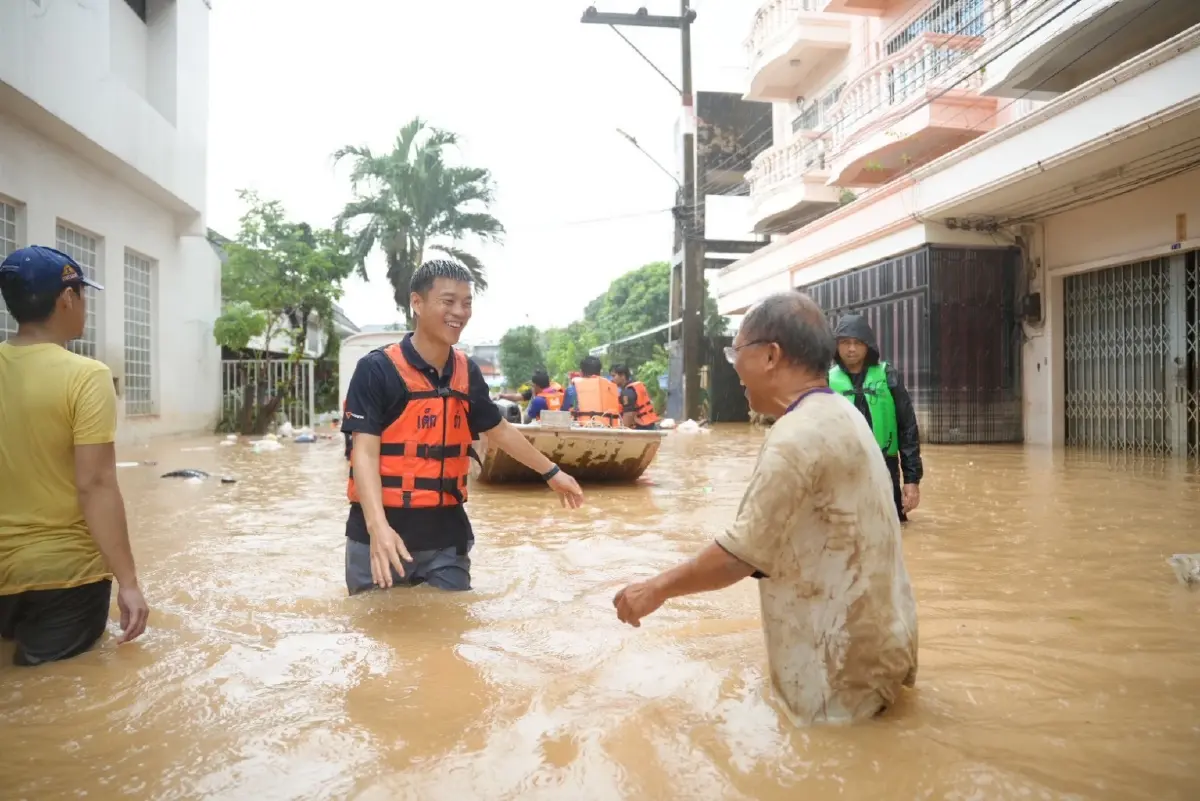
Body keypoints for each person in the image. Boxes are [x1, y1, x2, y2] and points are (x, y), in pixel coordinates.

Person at [612, 291, 918, 726]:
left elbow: (739, 556)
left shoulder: (795, 437)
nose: (733, 365)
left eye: (736, 351)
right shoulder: (844, 414)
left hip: (836, 678)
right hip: (882, 650)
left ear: (771, 355)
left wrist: (655, 588)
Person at [341, 259, 585, 595]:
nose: (460, 312)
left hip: (445, 540)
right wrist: (377, 528)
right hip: (379, 540)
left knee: (451, 634)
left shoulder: (465, 372)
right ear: (418, 302)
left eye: (467, 303)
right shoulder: (376, 370)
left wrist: (552, 473)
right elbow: (364, 453)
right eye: (448, 301)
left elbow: (497, 429)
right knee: (378, 639)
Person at [0, 246, 150, 666]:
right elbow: (95, 484)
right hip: (65, 579)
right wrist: (129, 582)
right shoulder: (86, 376)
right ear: (67, 298)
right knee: (58, 707)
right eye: (83, 294)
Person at [830, 313, 923, 522]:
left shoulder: (888, 376)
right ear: (837, 346)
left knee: (891, 525)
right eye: (845, 342)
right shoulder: (825, 381)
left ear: (867, 346)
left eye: (857, 343)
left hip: (884, 465)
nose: (851, 348)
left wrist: (911, 480)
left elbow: (907, 427)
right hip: (842, 469)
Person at [561, 355, 621, 427]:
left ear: (581, 372)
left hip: (582, 431)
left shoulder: (572, 390)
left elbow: (563, 415)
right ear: (600, 373)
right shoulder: (613, 388)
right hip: (609, 430)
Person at [610, 364, 660, 430]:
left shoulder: (627, 392)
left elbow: (629, 414)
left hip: (642, 427)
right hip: (649, 425)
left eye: (614, 376)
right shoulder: (633, 388)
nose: (612, 379)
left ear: (622, 376)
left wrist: (622, 431)